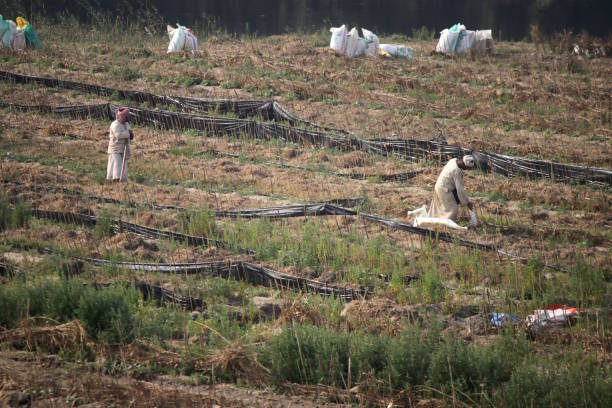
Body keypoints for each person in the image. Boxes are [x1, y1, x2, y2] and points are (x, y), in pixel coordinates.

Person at [427, 155, 475, 221]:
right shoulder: (457, 171)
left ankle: (433, 220)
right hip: (444, 189)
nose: (467, 169)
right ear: (464, 164)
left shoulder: (453, 160)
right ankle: (447, 223)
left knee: (438, 207)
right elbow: (460, 189)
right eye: (467, 168)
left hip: (438, 185)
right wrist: (466, 202)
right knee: (452, 208)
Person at [106, 107, 133, 182]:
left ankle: (123, 180)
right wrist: (128, 133)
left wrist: (130, 134)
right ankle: (116, 179)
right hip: (115, 148)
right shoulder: (115, 124)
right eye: (125, 116)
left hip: (124, 148)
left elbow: (131, 134)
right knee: (117, 164)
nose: (126, 118)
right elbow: (118, 135)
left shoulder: (126, 124)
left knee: (123, 164)